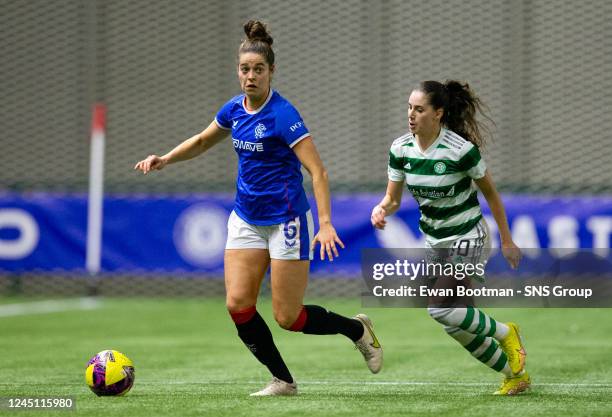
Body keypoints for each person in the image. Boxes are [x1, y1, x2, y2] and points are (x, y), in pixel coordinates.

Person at [135, 20, 382, 396]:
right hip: (246, 219)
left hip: (287, 222)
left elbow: (318, 170)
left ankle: (357, 330)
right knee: (238, 305)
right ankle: (283, 380)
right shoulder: (234, 109)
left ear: (271, 72)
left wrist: (326, 223)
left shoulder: (283, 115)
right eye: (244, 69)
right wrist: (166, 158)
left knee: (289, 317)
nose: (250, 76)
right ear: (238, 70)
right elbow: (203, 141)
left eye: (258, 69)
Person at [370, 80, 530, 395]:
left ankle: (506, 332)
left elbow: (493, 197)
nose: (411, 115)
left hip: (468, 235)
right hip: (435, 242)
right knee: (453, 323)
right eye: (409, 107)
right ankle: (515, 374)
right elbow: (393, 199)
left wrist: (508, 241)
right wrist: (381, 209)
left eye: (419, 109)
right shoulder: (400, 148)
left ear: (438, 113)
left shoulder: (460, 150)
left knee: (439, 308)